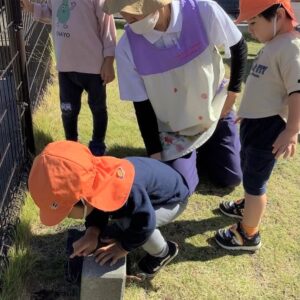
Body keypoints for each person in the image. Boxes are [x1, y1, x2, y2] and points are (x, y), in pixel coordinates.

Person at [102, 0, 248, 190]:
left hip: (215, 111)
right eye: (125, 15)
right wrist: (155, 155)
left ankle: (204, 150)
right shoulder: (127, 47)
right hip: (174, 128)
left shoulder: (203, 10)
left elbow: (238, 46)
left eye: (133, 15)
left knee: (230, 178)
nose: (128, 21)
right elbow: (142, 106)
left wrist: (232, 96)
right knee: (180, 184)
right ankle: (191, 156)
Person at [28, 140, 192, 278]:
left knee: (131, 223)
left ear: (83, 200)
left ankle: (164, 252)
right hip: (147, 197)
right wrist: (92, 232)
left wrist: (122, 247)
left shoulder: (129, 190)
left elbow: (146, 223)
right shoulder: (96, 177)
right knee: (124, 221)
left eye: (66, 212)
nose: (66, 217)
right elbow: (98, 207)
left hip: (173, 200)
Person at [215, 0, 300, 251]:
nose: (250, 30)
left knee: (255, 181)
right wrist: (248, 113)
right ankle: (248, 205)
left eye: (253, 22)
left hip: (269, 128)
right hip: (255, 123)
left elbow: (297, 92)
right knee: (248, 167)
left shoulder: (292, 48)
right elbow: (264, 85)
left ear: (279, 14)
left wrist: (292, 130)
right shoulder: (273, 45)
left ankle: (248, 233)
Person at [21, 0, 116, 156]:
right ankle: (71, 146)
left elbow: (107, 27)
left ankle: (97, 145)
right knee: (68, 110)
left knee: (98, 108)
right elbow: (52, 14)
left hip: (93, 68)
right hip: (65, 66)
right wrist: (31, 7)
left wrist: (109, 60)